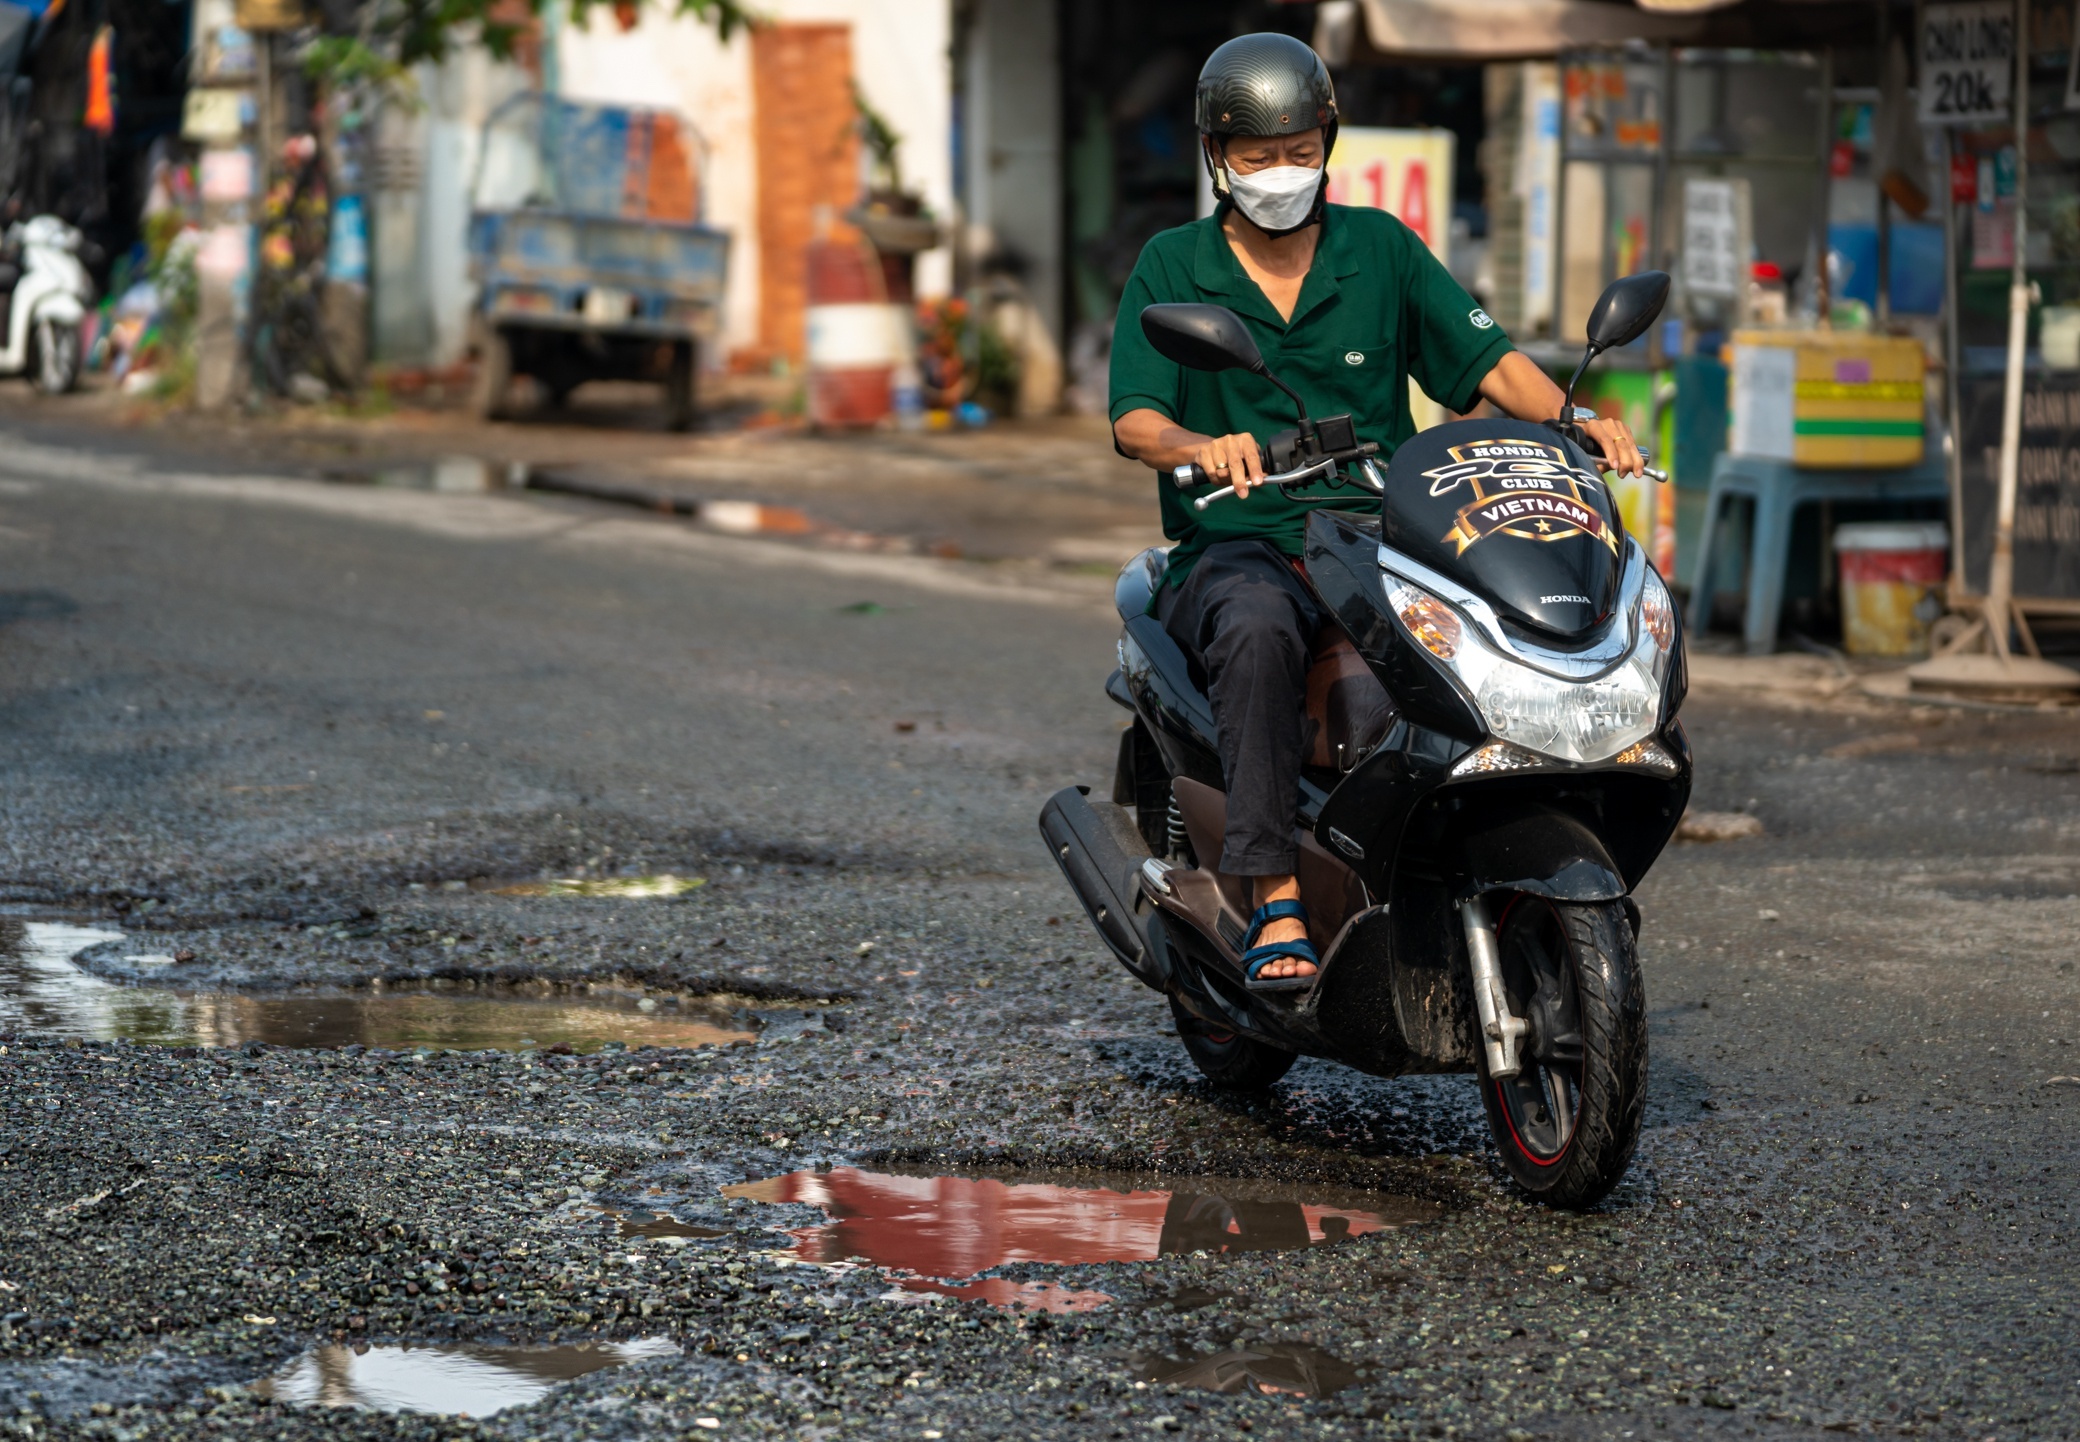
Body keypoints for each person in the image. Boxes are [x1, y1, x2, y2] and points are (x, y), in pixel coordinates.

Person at [1109, 32, 1643, 990]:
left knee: (1477, 635)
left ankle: (1457, 850)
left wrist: (1578, 418)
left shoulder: (1382, 248)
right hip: (1241, 542)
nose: (1281, 172)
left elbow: (1488, 364)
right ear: (1216, 157)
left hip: (1375, 531)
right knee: (1261, 630)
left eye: (1300, 150)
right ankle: (1272, 891)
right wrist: (1203, 447)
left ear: (1329, 141)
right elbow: (1136, 419)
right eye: (1256, 155)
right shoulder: (1173, 263)